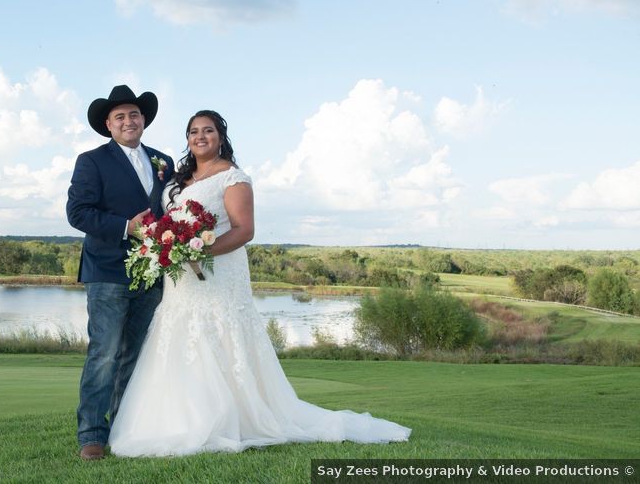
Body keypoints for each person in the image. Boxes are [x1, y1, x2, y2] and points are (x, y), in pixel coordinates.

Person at [108, 110, 411, 456]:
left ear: (221, 137)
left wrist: (197, 252)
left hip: (218, 274)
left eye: (208, 131)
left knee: (219, 336)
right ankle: (172, 421)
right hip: (181, 281)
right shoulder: (178, 180)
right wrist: (170, 248)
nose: (200, 137)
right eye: (193, 131)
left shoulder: (233, 177)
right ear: (187, 139)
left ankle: (230, 418)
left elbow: (243, 230)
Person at [66, 85, 176, 461]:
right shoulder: (92, 161)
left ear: (143, 120)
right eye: (120, 117)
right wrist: (125, 227)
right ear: (108, 125)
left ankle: (125, 429)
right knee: (105, 354)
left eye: (134, 114)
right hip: (108, 271)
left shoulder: (164, 162)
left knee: (135, 355)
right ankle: (92, 436)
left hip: (153, 274)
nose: (128, 121)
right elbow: (78, 213)